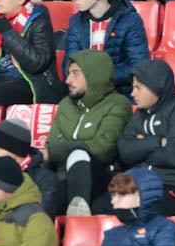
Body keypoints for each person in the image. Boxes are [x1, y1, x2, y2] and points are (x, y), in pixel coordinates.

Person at [48, 50, 134, 216]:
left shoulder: (118, 104)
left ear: (94, 76)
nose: (68, 80)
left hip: (99, 179)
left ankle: (79, 218)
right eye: (68, 74)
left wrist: (55, 152)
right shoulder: (65, 104)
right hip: (62, 178)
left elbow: (103, 149)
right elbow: (50, 145)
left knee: (79, 154)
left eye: (75, 74)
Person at [117, 58, 175, 200]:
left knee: (138, 209)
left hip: (174, 185)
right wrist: (158, 142)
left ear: (155, 88)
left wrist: (142, 149)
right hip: (137, 182)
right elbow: (125, 152)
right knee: (100, 206)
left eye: (138, 88)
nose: (132, 94)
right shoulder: (141, 113)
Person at [62, 0, 150, 93]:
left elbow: (138, 66)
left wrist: (99, 78)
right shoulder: (76, 21)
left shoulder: (130, 20)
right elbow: (69, 63)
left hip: (119, 92)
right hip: (84, 91)